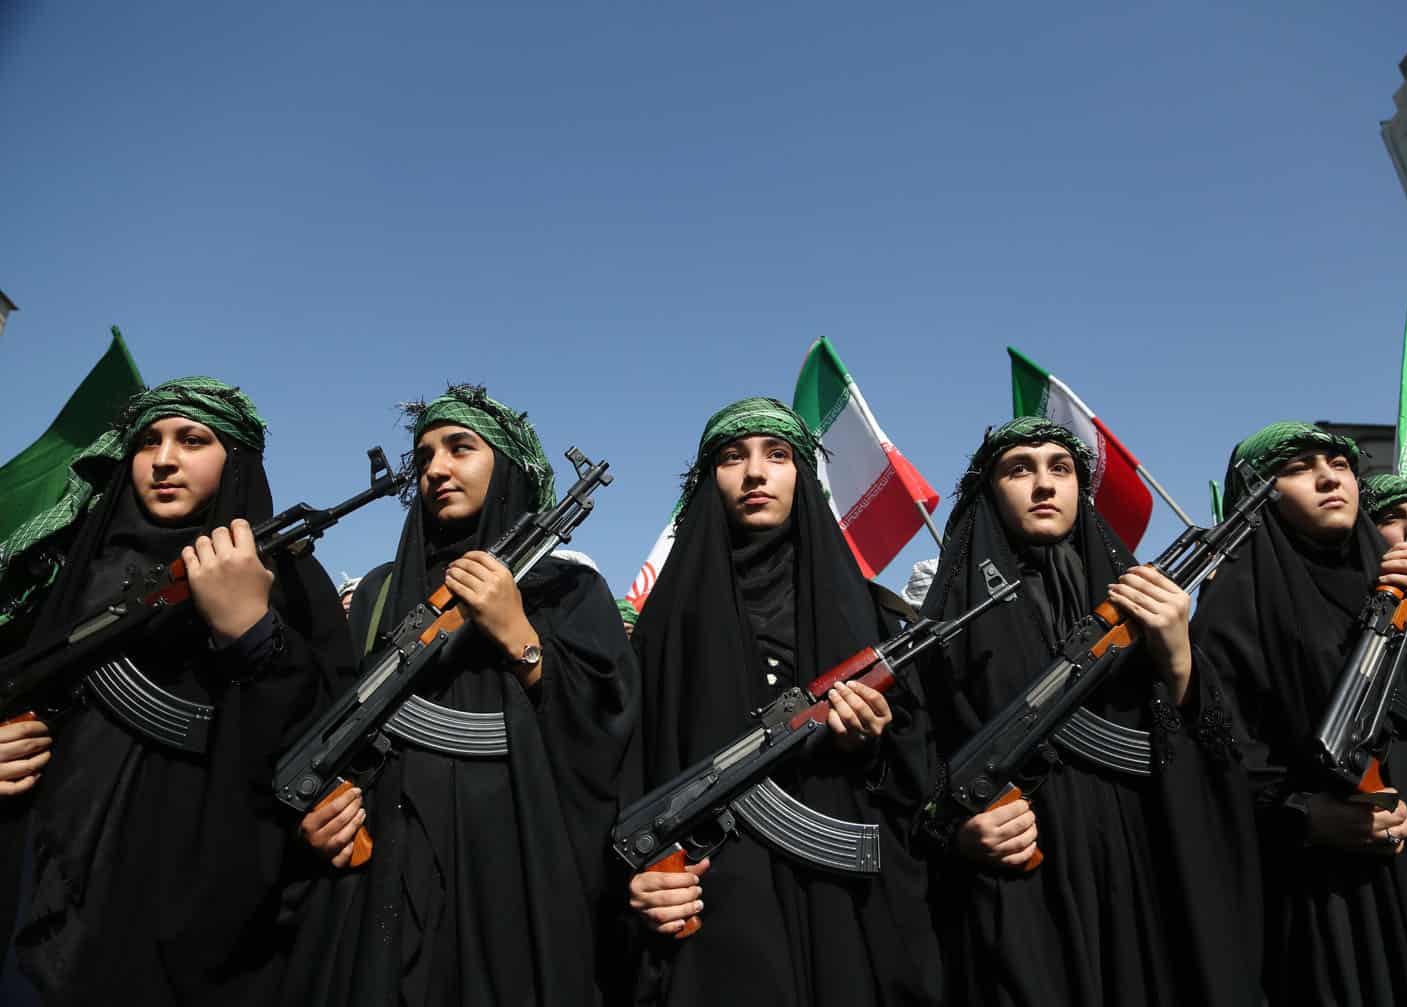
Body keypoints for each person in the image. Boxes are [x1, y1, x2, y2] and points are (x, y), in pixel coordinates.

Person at [284, 383, 639, 1006]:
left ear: (505, 468)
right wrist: (321, 818)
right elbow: (323, 722)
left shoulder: (570, 593)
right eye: (424, 457)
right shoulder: (377, 596)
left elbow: (611, 737)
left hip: (514, 878)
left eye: (460, 449)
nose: (436, 469)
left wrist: (520, 635)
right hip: (381, 882)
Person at [0, 377, 351, 1005]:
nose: (164, 460)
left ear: (236, 460)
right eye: (148, 442)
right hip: (36, 883)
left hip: (186, 917)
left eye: (193, 440)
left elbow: (325, 744)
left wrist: (255, 634)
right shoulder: (73, 565)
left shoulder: (291, 582)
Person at [904, 416, 1261, 1006]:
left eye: (1061, 469)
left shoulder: (1142, 600)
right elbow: (910, 773)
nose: (1045, 485)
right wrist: (956, 834)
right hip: (1024, 899)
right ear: (990, 490)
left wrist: (1178, 660)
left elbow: (1224, 761)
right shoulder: (947, 626)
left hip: (1147, 870)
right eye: (1021, 469)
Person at [625, 397, 939, 1006]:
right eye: (731, 458)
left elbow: (923, 784)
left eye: (778, 455)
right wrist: (638, 881)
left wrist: (872, 745)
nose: (755, 474)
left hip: (844, 910)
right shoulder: (663, 625)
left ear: (804, 477)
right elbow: (627, 772)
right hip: (714, 912)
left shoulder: (871, 616)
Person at [1192, 422, 1407, 1004]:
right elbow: (1219, 751)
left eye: (1338, 464)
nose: (1328, 477)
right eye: (1296, 468)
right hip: (1358, 881)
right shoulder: (1235, 601)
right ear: (1257, 494)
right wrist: (1305, 817)